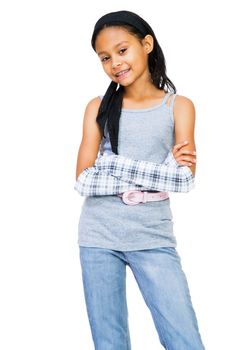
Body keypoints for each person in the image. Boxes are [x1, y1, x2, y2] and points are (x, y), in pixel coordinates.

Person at [75, 10, 205, 350]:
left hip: (153, 235)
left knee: (184, 341)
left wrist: (112, 163)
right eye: (105, 57)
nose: (115, 63)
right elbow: (84, 181)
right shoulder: (98, 107)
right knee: (109, 343)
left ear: (146, 44)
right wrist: (156, 172)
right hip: (98, 236)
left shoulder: (179, 107)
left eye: (122, 50)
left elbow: (183, 179)